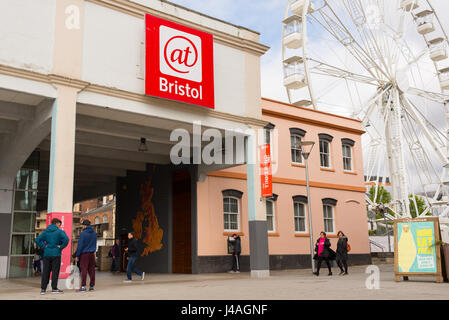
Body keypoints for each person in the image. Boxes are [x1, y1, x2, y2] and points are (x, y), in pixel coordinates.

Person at [34, 218, 69, 295]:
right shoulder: (59, 231)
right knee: (55, 272)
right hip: (56, 254)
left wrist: (43, 247)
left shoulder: (46, 231)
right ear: (56, 223)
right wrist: (61, 246)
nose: (59, 225)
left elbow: (37, 240)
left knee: (45, 271)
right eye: (59, 223)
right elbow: (66, 239)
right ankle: (54, 288)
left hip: (47, 254)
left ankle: (43, 289)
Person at [74, 220, 97, 292]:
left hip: (84, 254)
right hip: (92, 254)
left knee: (84, 270)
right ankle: (92, 286)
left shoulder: (83, 233)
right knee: (92, 270)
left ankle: (83, 286)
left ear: (84, 225)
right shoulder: (94, 233)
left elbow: (80, 245)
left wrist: (77, 255)